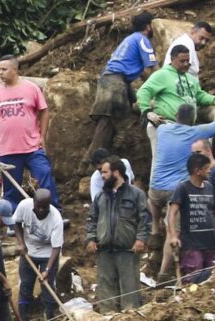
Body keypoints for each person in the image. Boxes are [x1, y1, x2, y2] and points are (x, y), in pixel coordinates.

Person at [0, 55, 60, 211]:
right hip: (7, 150)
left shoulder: (31, 88)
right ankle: (14, 219)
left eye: (4, 69)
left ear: (15, 70)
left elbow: (44, 111)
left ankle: (53, 212)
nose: (0, 73)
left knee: (44, 174)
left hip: (32, 147)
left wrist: (42, 136)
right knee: (12, 189)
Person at [148, 104, 215, 279]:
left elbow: (155, 123)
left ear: (176, 115)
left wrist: (152, 114)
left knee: (153, 202)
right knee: (174, 231)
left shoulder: (163, 129)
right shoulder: (196, 132)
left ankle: (154, 229)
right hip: (173, 190)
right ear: (192, 119)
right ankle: (163, 273)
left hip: (155, 189)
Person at [88, 11, 158, 156]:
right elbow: (149, 70)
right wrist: (157, 89)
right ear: (148, 26)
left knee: (117, 113)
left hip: (110, 78)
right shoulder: (143, 40)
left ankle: (113, 143)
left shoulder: (130, 39)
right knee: (108, 121)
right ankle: (91, 161)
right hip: (116, 82)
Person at [137, 44, 215, 175]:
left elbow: (200, 95)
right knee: (160, 164)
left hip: (183, 129)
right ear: (172, 60)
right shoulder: (162, 75)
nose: (186, 64)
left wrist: (213, 99)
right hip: (163, 125)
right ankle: (155, 194)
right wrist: (147, 112)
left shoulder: (190, 79)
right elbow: (144, 91)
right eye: (182, 61)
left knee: (182, 163)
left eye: (187, 61)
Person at [86, 157, 150, 313]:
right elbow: (92, 218)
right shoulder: (100, 196)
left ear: (116, 172)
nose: (102, 176)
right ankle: (108, 320)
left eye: (105, 172)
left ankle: (130, 320)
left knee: (129, 287)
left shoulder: (136, 194)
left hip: (128, 250)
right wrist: (91, 238)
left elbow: (145, 219)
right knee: (105, 286)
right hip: (104, 250)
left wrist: (141, 239)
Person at [13, 189, 64, 321]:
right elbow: (16, 224)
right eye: (38, 206)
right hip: (29, 252)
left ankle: (50, 319)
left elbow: (56, 248)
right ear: (34, 202)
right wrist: (21, 243)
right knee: (25, 285)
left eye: (44, 207)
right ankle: (23, 320)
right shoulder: (24, 206)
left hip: (48, 255)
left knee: (47, 287)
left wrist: (47, 270)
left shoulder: (56, 219)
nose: (41, 210)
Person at [168, 153, 215, 284]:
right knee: (193, 280)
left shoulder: (210, 188)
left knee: (211, 280)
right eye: (207, 168)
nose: (210, 170)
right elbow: (172, 213)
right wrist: (173, 236)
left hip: (210, 242)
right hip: (191, 245)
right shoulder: (183, 188)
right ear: (197, 171)